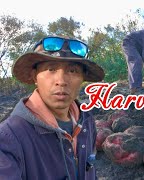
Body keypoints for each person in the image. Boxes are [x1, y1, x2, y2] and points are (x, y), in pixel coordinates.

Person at [0, 35, 105, 179]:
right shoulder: (8, 138)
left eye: (72, 71)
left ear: (83, 78)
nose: (61, 81)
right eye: (51, 69)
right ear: (35, 76)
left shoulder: (86, 120)